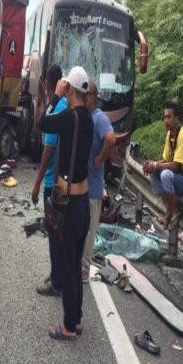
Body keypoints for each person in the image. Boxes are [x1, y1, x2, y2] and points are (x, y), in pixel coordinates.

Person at [37, 66, 93, 341]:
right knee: (76, 259)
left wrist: (53, 97)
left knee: (69, 266)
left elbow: (43, 123)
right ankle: (78, 318)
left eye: (65, 87)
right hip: (83, 201)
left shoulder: (68, 117)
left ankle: (69, 326)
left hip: (68, 202)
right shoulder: (89, 119)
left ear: (70, 88)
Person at [31, 64, 66, 297]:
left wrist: (36, 184)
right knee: (60, 234)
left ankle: (56, 282)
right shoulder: (64, 105)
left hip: (53, 186)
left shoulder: (56, 107)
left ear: (46, 82)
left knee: (54, 233)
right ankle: (59, 275)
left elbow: (48, 148)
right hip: (63, 182)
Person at [142, 100, 183, 230]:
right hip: (176, 177)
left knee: (165, 174)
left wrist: (156, 165)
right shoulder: (169, 134)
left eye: (169, 117)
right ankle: (169, 210)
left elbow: (175, 166)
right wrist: (151, 165)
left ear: (176, 118)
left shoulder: (182, 134)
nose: (166, 120)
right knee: (154, 174)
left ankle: (176, 213)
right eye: (164, 117)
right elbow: (165, 160)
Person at [82, 81, 116, 282]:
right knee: (82, 230)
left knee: (89, 232)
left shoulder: (99, 117)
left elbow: (110, 139)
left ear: (94, 96)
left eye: (88, 94)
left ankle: (84, 271)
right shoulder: (87, 116)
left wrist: (99, 159)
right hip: (83, 186)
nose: (85, 97)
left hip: (93, 188)